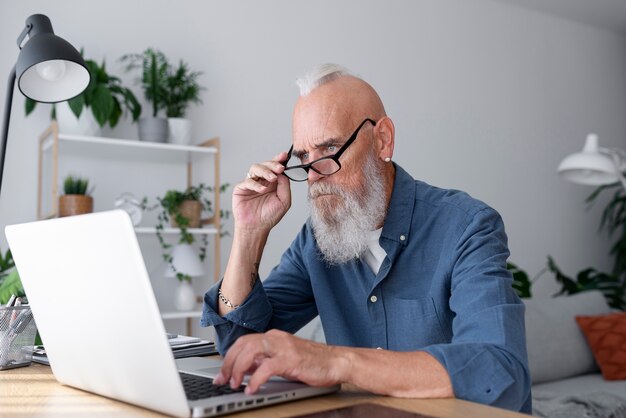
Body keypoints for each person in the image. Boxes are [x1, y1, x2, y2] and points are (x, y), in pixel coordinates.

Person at [201, 63, 531, 413]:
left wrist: (336, 362)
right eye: (304, 158)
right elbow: (239, 345)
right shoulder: (316, 242)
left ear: (382, 140)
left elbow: (499, 371)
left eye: (329, 150)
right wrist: (250, 233)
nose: (316, 177)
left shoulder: (466, 225)